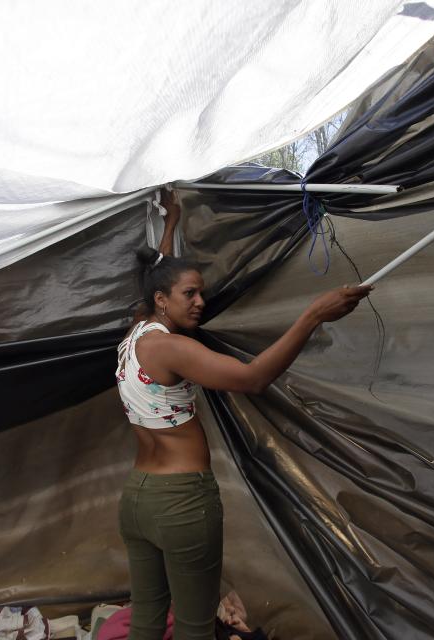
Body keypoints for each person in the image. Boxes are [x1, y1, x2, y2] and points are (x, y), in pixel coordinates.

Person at [115, 188, 371, 640]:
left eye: (202, 294)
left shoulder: (138, 332)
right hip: (181, 502)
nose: (200, 302)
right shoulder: (173, 347)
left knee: (148, 619)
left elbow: (158, 275)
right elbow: (252, 378)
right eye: (190, 294)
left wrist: (171, 222)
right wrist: (313, 315)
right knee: (196, 627)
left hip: (138, 498)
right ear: (162, 300)